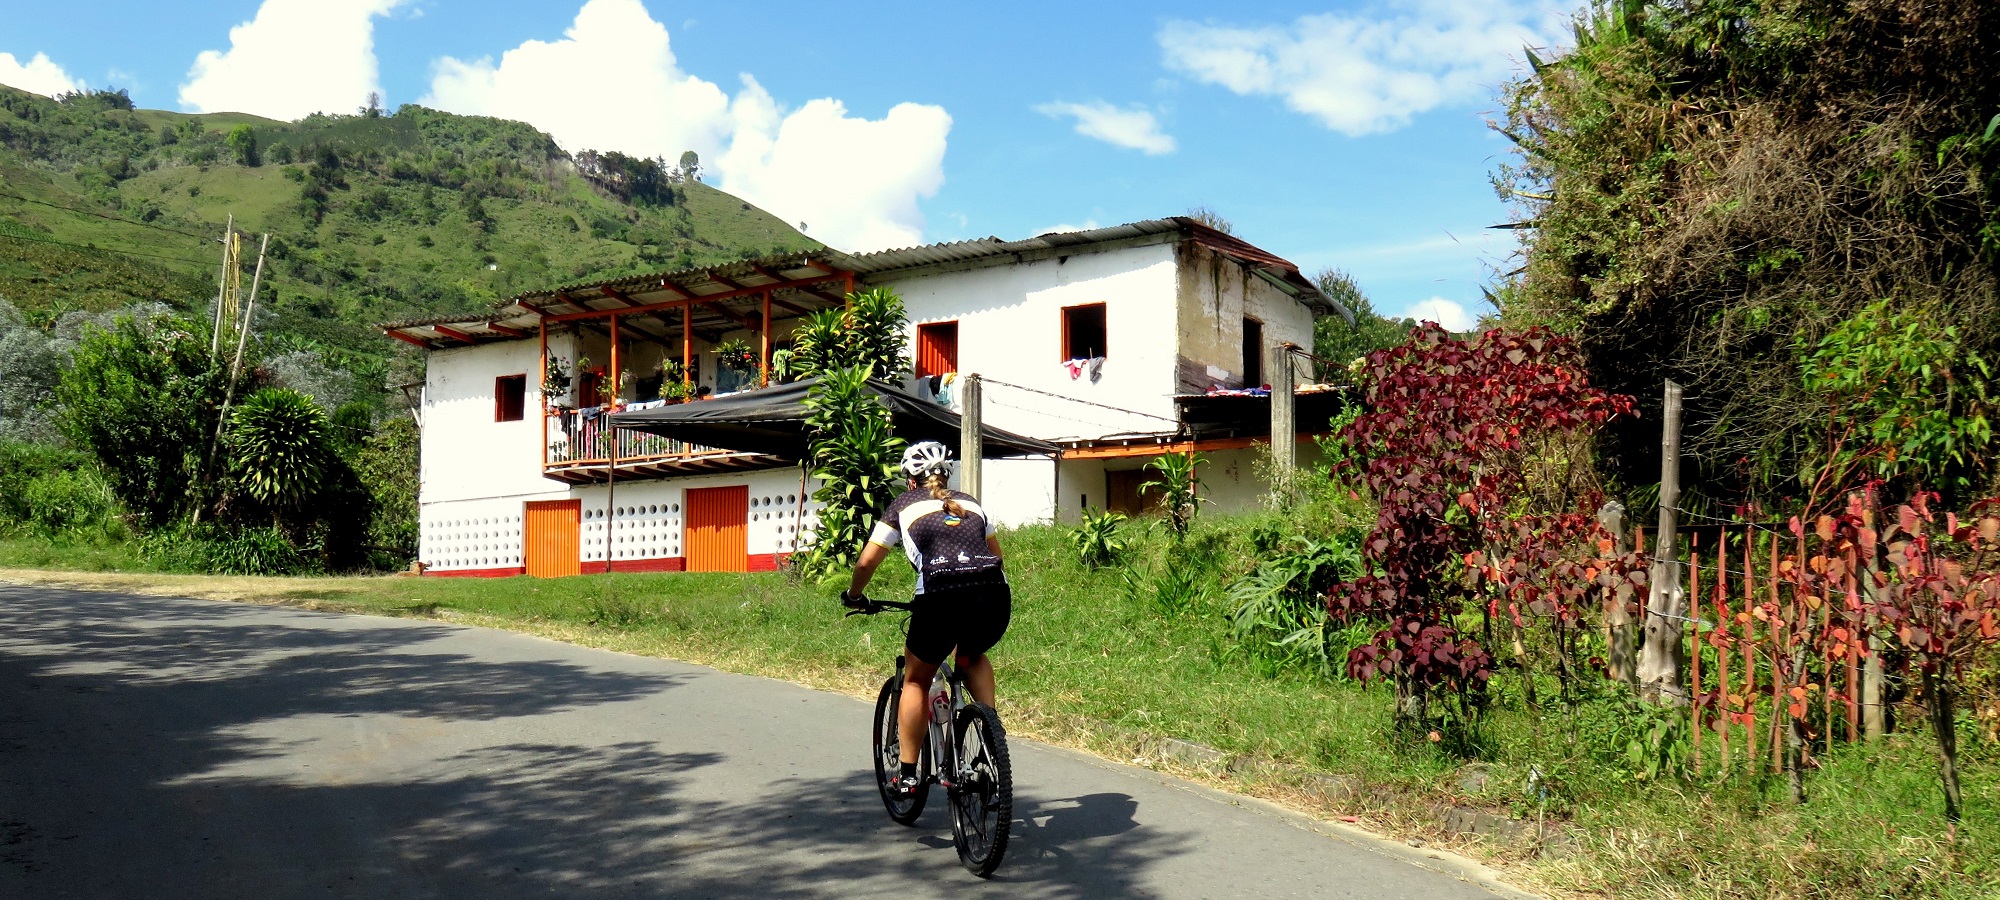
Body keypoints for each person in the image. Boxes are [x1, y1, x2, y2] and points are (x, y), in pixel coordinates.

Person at [843, 441, 1011, 800]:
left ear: (910, 480)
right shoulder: (971, 502)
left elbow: (866, 563)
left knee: (917, 680)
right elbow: (996, 556)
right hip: (993, 596)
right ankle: (991, 737)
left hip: (940, 597)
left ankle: (906, 775)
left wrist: (854, 595)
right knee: (971, 655)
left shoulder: (903, 505)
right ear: (945, 475)